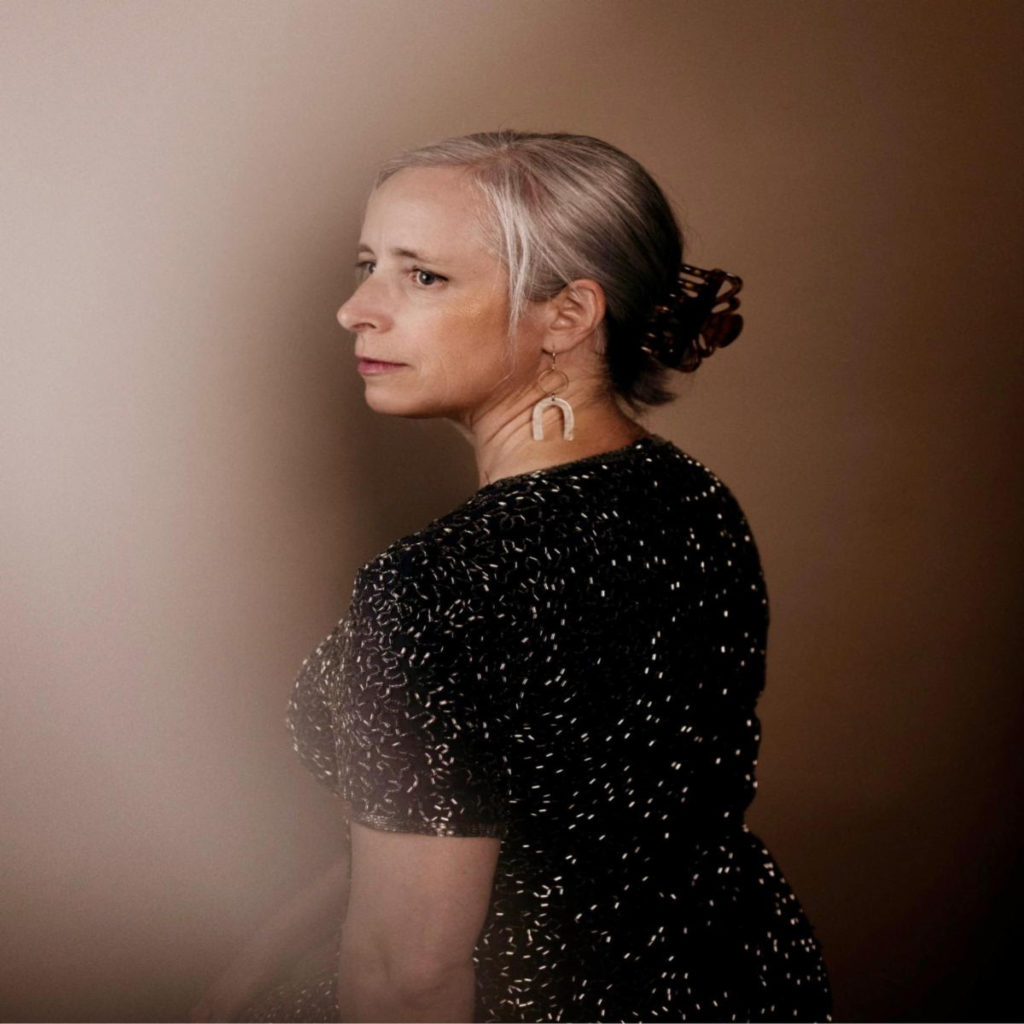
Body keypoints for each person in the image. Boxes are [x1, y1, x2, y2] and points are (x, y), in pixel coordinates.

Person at [190, 131, 832, 1023]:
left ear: (567, 316)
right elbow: (486, 815)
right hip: (734, 986)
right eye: (369, 265)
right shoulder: (691, 498)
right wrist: (252, 978)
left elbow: (408, 976)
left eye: (423, 276)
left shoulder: (437, 587)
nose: (354, 309)